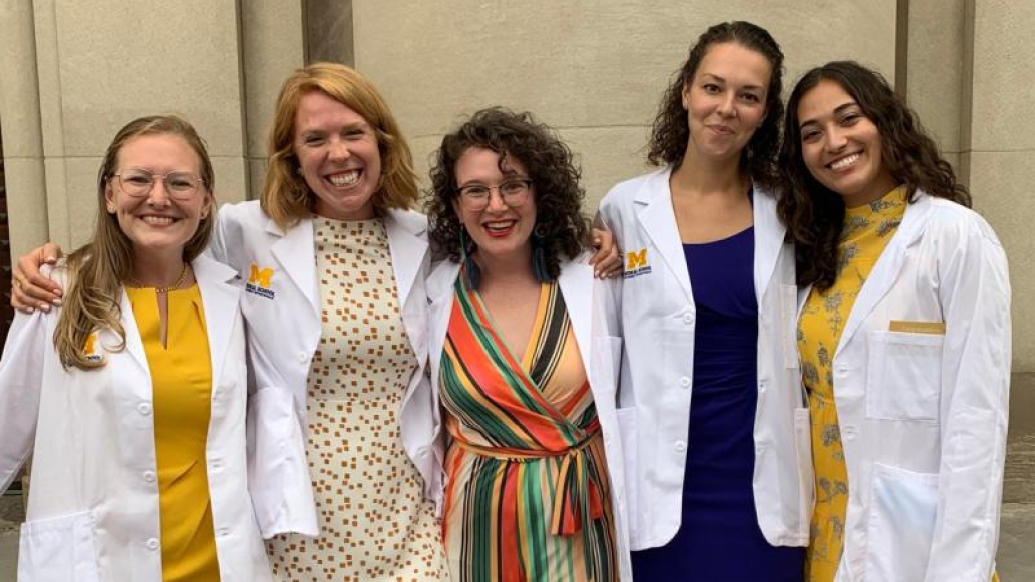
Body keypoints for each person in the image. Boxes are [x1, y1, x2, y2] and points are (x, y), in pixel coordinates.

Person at [9, 63, 621, 581]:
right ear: (291, 155)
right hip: (294, 518)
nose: (338, 154)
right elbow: (153, 242)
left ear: (380, 142)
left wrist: (590, 239)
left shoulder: (422, 238)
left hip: (405, 514)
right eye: (315, 140)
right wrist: (52, 267)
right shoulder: (242, 232)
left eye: (354, 132)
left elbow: (506, 231)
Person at [0, 115, 272, 581]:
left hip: (218, 565)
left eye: (181, 183)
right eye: (138, 179)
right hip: (102, 564)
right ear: (110, 194)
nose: (159, 197)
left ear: (206, 202)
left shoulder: (234, 294)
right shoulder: (56, 293)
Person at [778, 60, 1010, 582]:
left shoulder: (955, 237)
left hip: (915, 544)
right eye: (811, 134)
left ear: (884, 122)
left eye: (849, 119)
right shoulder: (811, 250)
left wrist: (960, 571)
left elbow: (978, 422)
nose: (833, 142)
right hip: (825, 540)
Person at [597, 21, 812, 581]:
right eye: (713, 87)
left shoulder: (789, 210)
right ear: (686, 90)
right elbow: (600, 337)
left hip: (760, 486)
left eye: (749, 96)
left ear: (765, 113)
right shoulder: (624, 208)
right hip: (661, 487)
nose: (726, 108)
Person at [424, 107, 631, 581]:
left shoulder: (597, 278)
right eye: (476, 191)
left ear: (540, 193)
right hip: (474, 527)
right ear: (455, 206)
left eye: (513, 185)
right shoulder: (434, 291)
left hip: (580, 521)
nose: (496, 206)